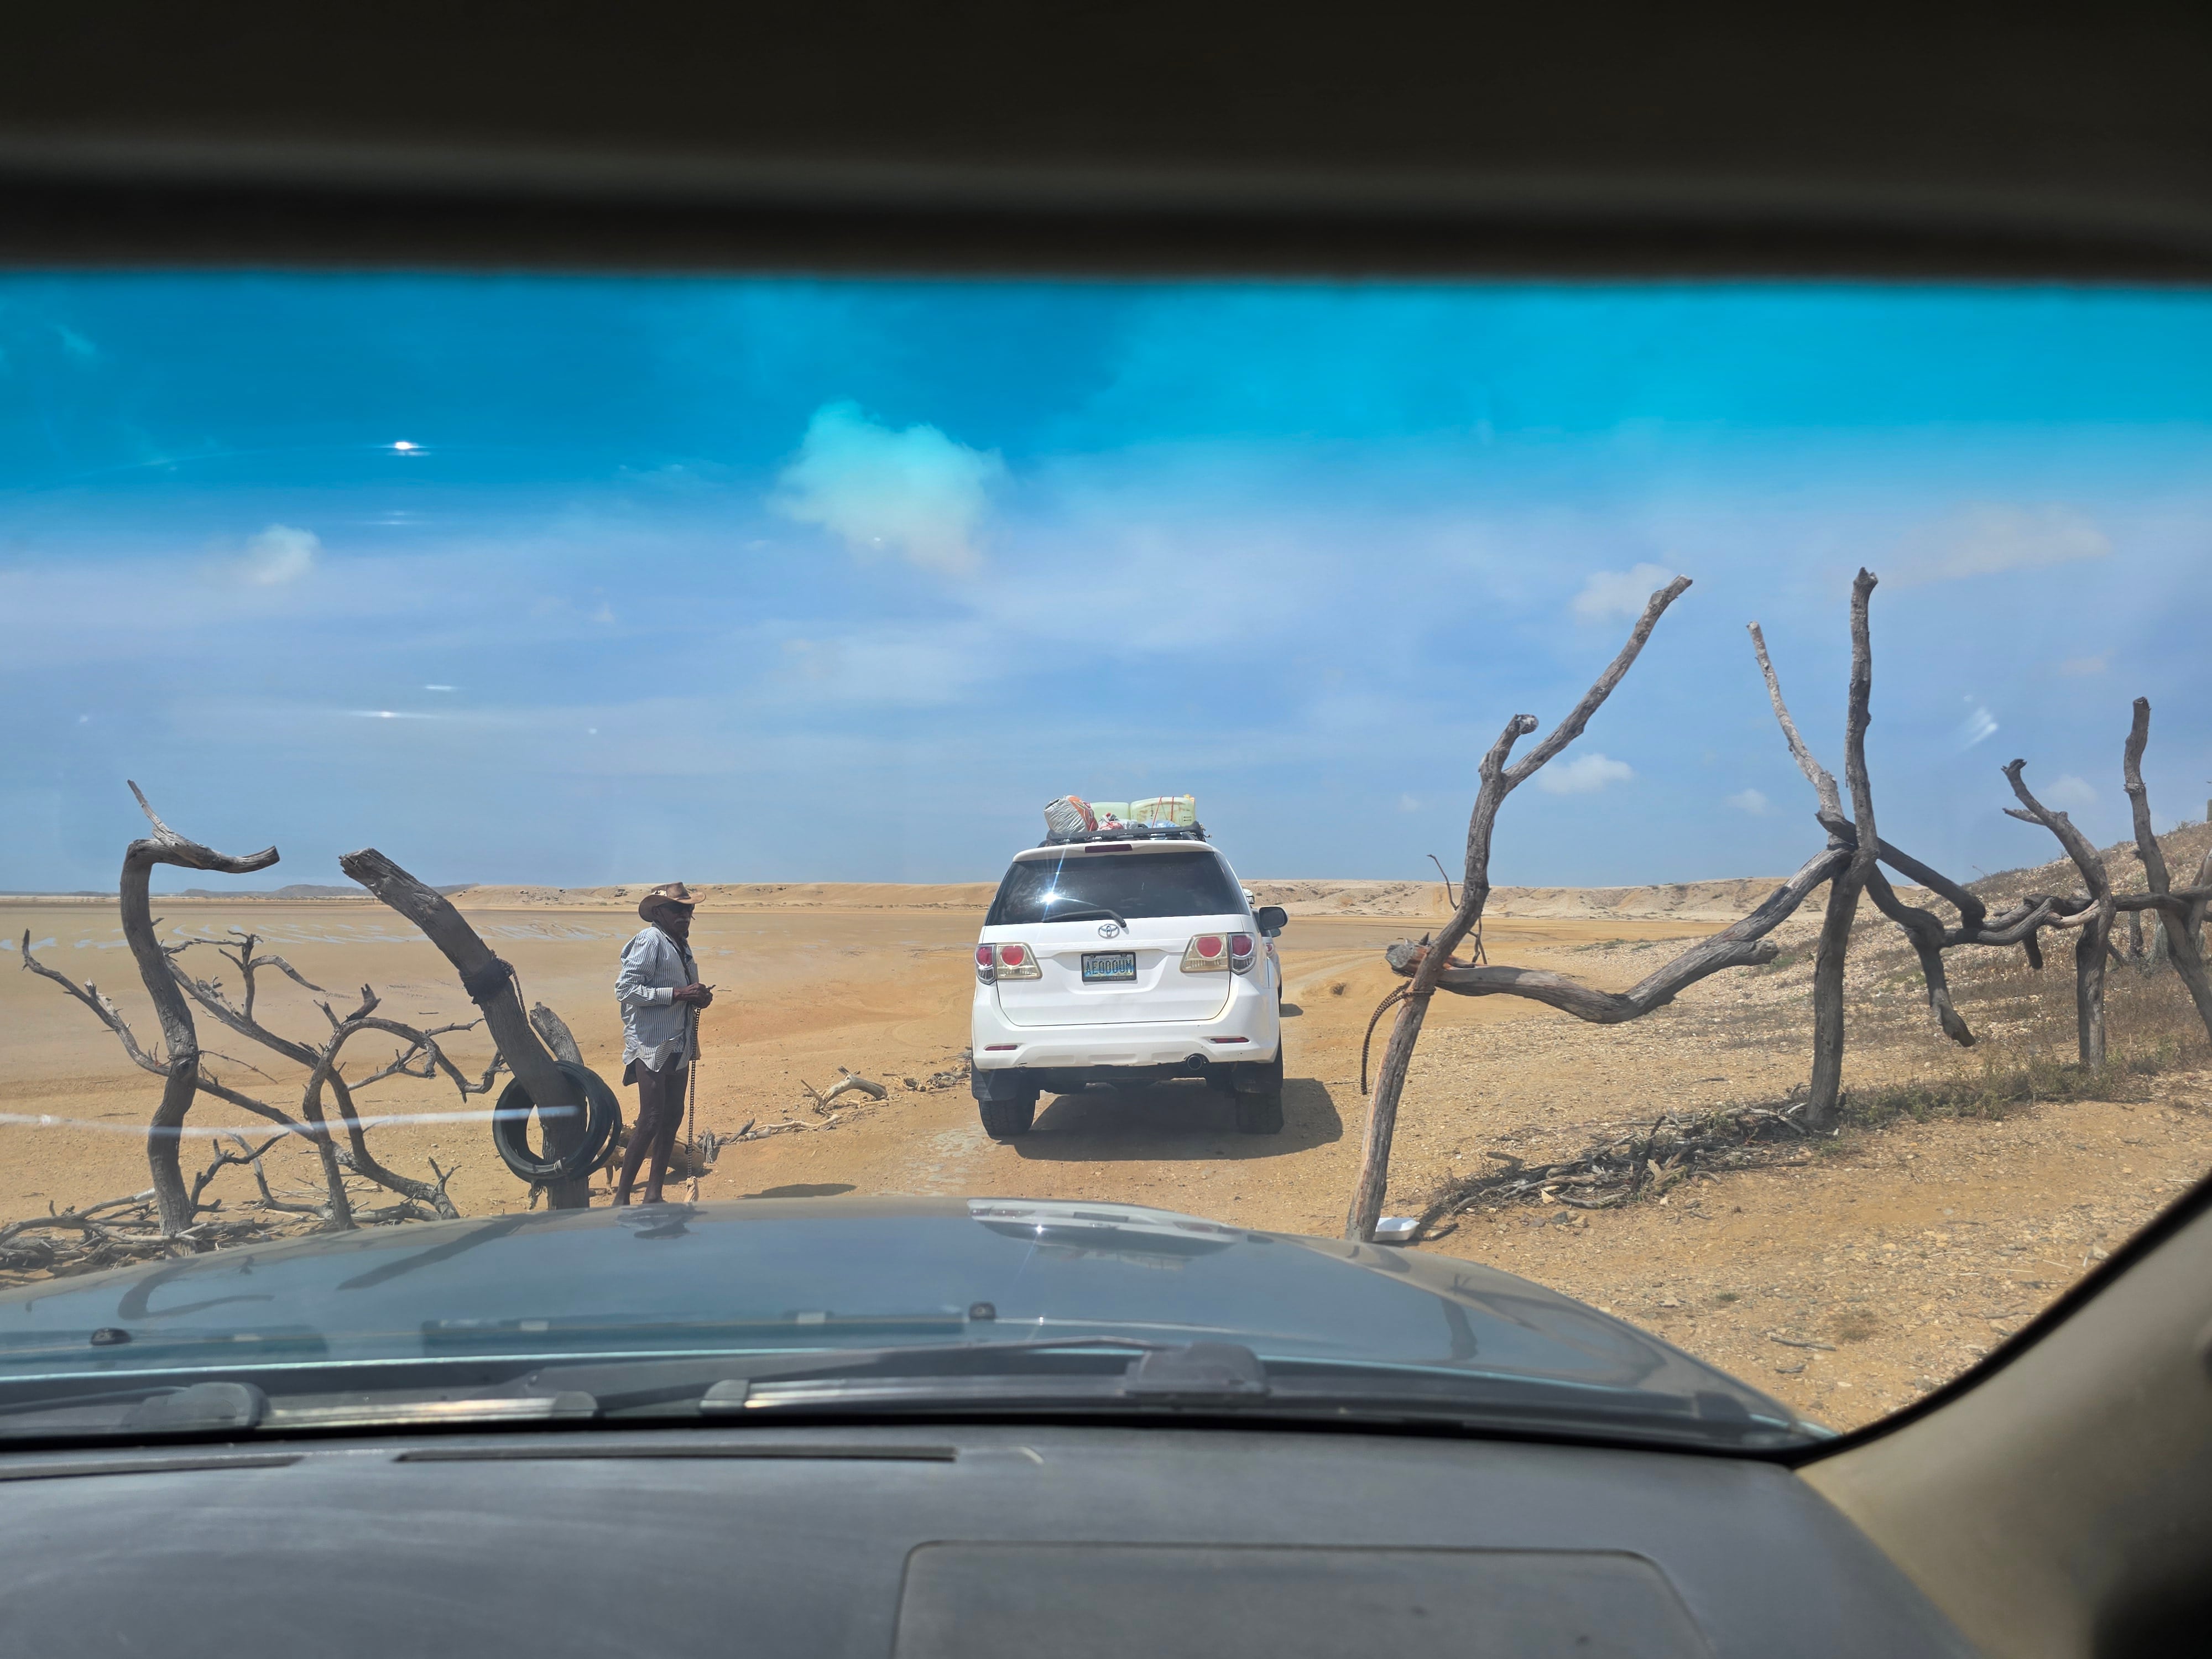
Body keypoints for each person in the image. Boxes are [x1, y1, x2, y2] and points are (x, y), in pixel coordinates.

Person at [613, 881, 713, 1205]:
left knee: (673, 1115)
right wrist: (679, 994)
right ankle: (623, 1198)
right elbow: (625, 990)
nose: (685, 916)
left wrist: (699, 997)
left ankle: (653, 1194)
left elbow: (684, 990)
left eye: (689, 910)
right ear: (659, 912)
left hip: (680, 1043)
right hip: (652, 1045)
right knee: (651, 1118)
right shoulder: (650, 940)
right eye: (678, 910)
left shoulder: (681, 945)